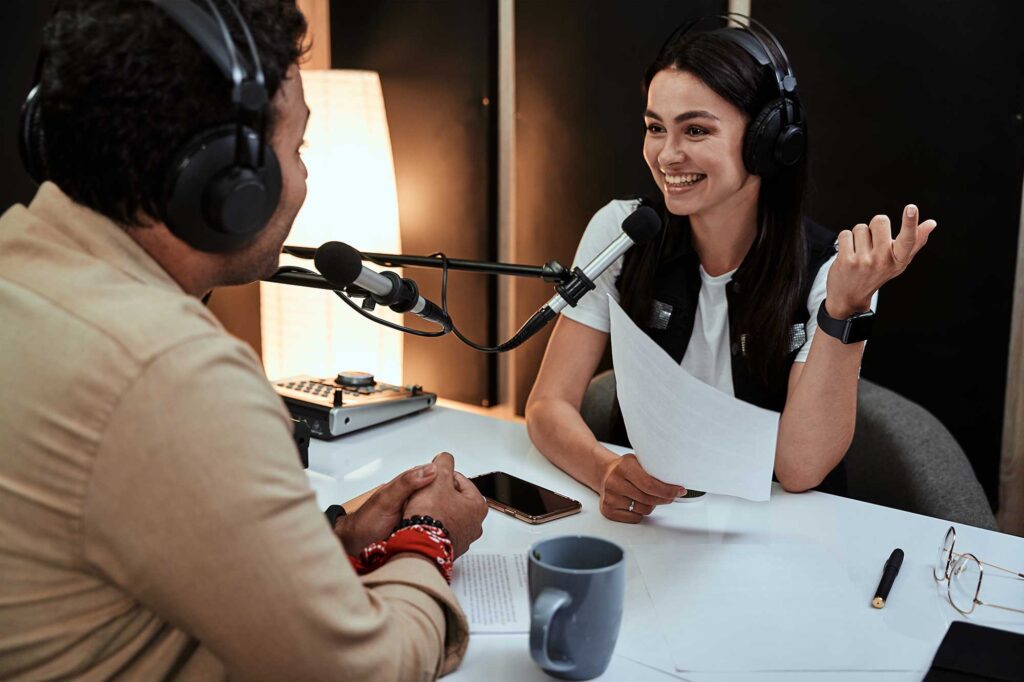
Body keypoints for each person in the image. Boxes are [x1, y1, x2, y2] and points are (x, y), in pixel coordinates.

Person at [0, 1, 487, 679]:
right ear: (229, 181)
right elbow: (365, 670)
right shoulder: (171, 369)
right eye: (297, 148)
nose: (305, 178)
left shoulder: (19, 265)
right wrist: (428, 538)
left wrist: (335, 538)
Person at [525, 18, 936, 524]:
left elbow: (800, 468)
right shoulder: (623, 232)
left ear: (768, 140)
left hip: (776, 531)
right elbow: (548, 405)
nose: (667, 155)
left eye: (696, 130)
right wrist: (605, 470)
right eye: (656, 128)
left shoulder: (835, 269)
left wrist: (844, 310)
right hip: (649, 525)